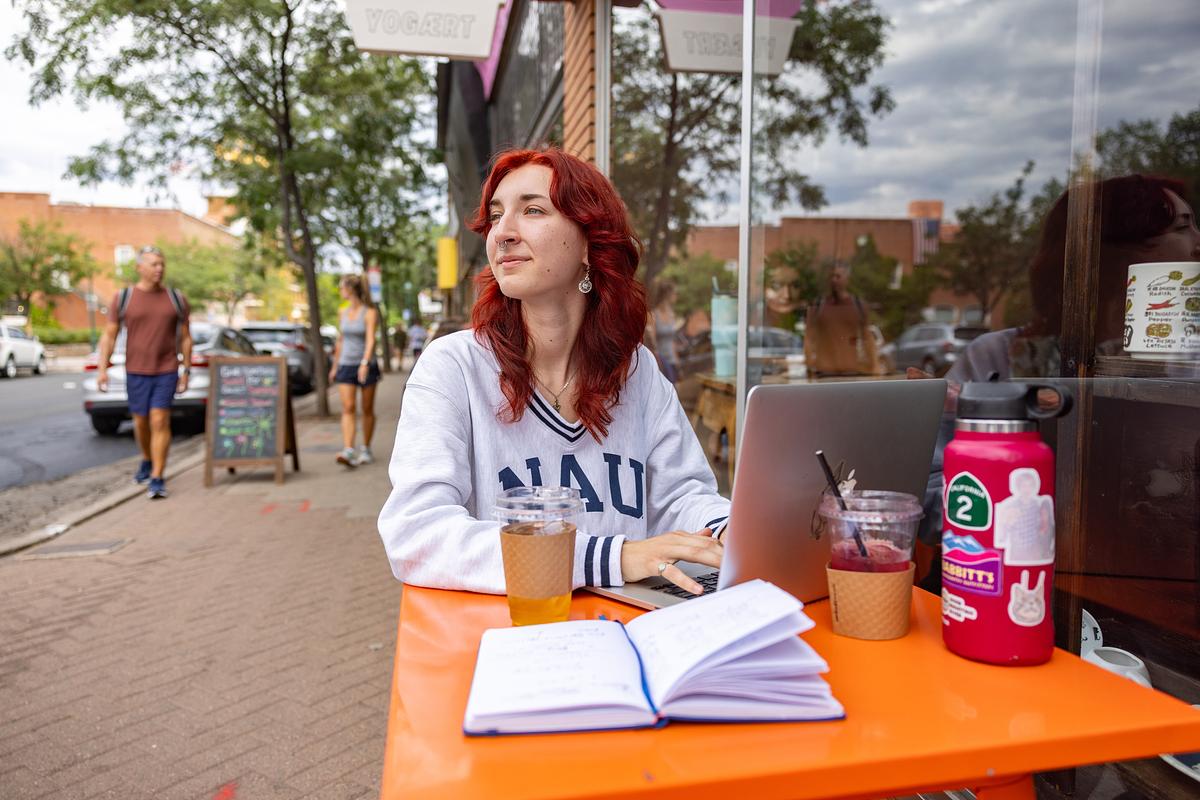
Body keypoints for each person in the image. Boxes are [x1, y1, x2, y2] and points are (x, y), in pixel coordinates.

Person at [378, 147, 729, 596]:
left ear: (589, 242)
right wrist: (610, 557)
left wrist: (729, 531)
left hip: (628, 627)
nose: (502, 233)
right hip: (506, 635)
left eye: (533, 210)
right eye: (497, 215)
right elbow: (417, 534)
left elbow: (680, 496)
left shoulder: (636, 370)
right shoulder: (453, 368)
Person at [96, 245, 192, 500]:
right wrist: (102, 369)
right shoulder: (123, 298)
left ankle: (158, 477)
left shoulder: (176, 299)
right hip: (136, 370)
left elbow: (185, 338)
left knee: (160, 419)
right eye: (153, 264)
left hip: (166, 369)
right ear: (139, 267)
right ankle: (147, 459)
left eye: (162, 264)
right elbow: (110, 334)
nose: (159, 269)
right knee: (140, 421)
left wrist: (186, 370)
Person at [328, 274, 381, 467]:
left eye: (342, 287)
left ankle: (365, 448)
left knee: (366, 409)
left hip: (366, 365)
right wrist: (335, 366)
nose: (340, 291)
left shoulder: (369, 312)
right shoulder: (342, 312)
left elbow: (370, 339)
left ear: (350, 289)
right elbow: (340, 340)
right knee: (348, 407)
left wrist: (365, 363)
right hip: (346, 365)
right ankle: (349, 449)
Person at [803, 264, 880, 378]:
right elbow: (809, 338)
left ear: (847, 279)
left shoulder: (858, 305)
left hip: (852, 372)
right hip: (824, 373)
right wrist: (809, 366)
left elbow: (867, 337)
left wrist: (874, 366)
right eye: (831, 276)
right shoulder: (818, 306)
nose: (834, 280)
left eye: (838, 276)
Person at [646, 279, 680, 382]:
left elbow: (673, 340)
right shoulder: (654, 315)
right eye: (674, 293)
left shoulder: (672, 314)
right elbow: (652, 341)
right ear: (667, 294)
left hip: (672, 359)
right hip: (660, 360)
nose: (676, 295)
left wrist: (677, 359)